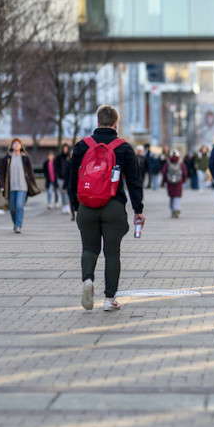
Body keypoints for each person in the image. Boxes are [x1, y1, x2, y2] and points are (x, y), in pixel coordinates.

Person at [68, 105, 144, 312]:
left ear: (97, 121)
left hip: (87, 206)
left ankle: (88, 280)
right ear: (115, 123)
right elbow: (135, 182)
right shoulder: (124, 147)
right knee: (112, 253)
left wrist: (75, 206)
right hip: (114, 206)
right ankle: (110, 300)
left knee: (89, 249)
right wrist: (138, 209)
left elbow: (72, 178)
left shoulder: (82, 146)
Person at [0, 137, 40, 233]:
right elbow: (2, 172)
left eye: (18, 143)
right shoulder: (7, 158)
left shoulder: (25, 157)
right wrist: (1, 185)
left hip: (23, 187)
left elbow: (30, 172)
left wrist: (33, 184)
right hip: (11, 187)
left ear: (21, 146)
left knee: (19, 205)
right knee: (12, 208)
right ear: (12, 145)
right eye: (14, 143)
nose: (16, 145)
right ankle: (15, 223)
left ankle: (19, 225)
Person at [161, 150, 188, 218]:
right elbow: (185, 173)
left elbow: (164, 173)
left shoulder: (167, 163)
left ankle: (173, 210)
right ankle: (177, 208)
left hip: (170, 182)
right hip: (178, 182)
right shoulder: (181, 164)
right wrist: (183, 180)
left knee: (172, 196)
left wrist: (164, 181)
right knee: (177, 196)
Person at [58, 143, 73, 219]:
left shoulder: (70, 160)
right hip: (61, 178)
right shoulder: (59, 157)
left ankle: (67, 206)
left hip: (68, 179)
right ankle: (64, 205)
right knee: (62, 192)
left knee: (67, 193)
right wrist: (59, 173)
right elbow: (56, 167)